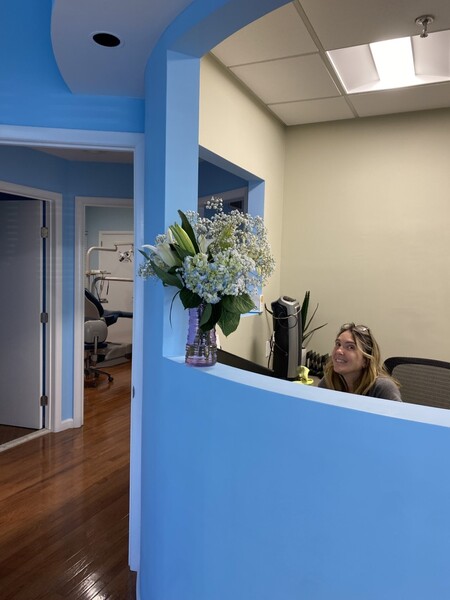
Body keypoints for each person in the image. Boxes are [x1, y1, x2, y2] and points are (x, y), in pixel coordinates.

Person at [318, 322, 401, 401]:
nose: (339, 351)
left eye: (350, 347)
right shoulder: (329, 381)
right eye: (338, 344)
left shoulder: (383, 388)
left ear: (366, 360)